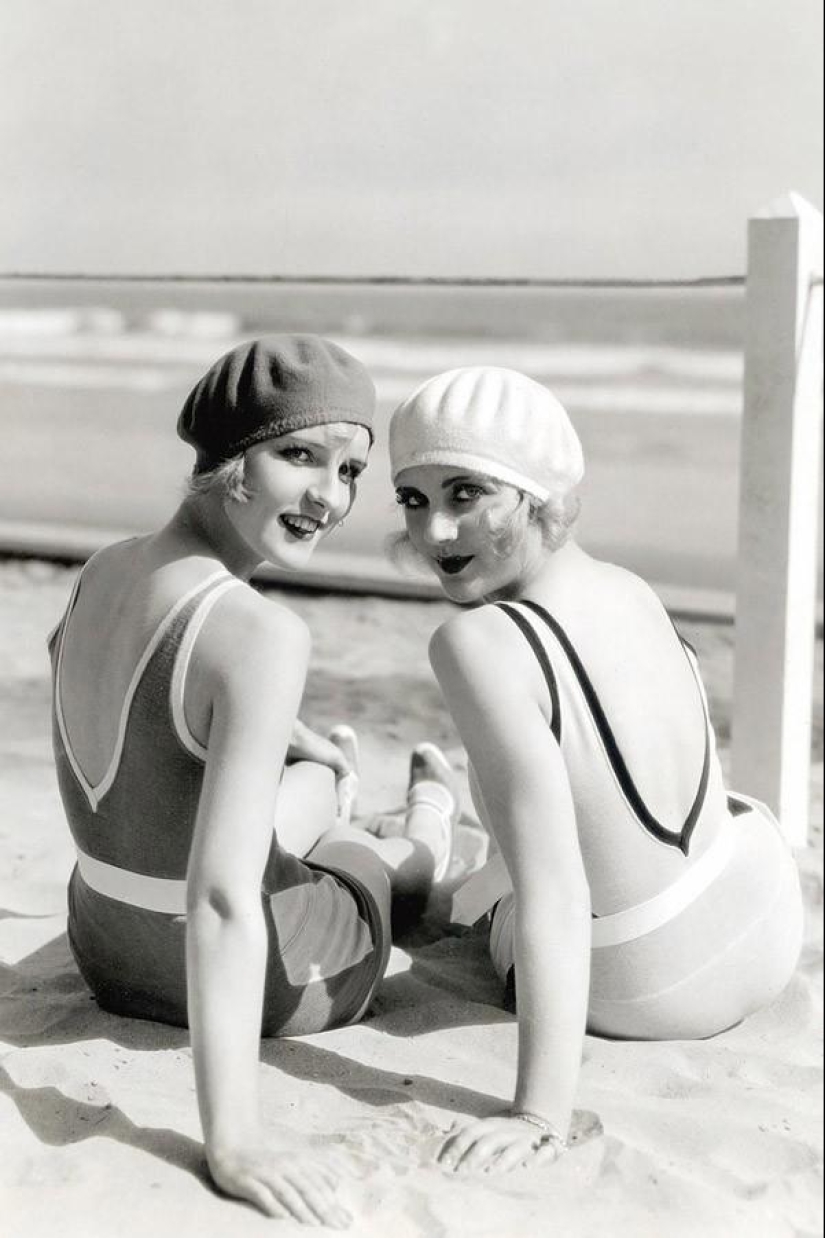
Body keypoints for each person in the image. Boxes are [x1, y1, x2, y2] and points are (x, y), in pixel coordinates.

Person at [48, 335, 460, 1227]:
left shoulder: (102, 572)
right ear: (231, 454)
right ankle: (422, 840)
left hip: (104, 951)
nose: (329, 497)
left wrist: (269, 730)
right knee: (357, 853)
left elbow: (140, 720)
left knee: (309, 771)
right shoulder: (257, 634)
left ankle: (330, 775)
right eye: (299, 455)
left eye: (351, 471)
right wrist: (232, 1141)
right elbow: (227, 903)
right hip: (262, 986)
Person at [388, 364, 804, 1176]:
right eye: (412, 499)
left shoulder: (475, 643)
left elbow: (556, 892)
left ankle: (421, 822)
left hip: (643, 988)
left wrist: (537, 1113)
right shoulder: (628, 587)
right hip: (766, 919)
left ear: (538, 493)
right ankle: (432, 816)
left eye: (466, 493)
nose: (434, 533)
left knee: (497, 889)